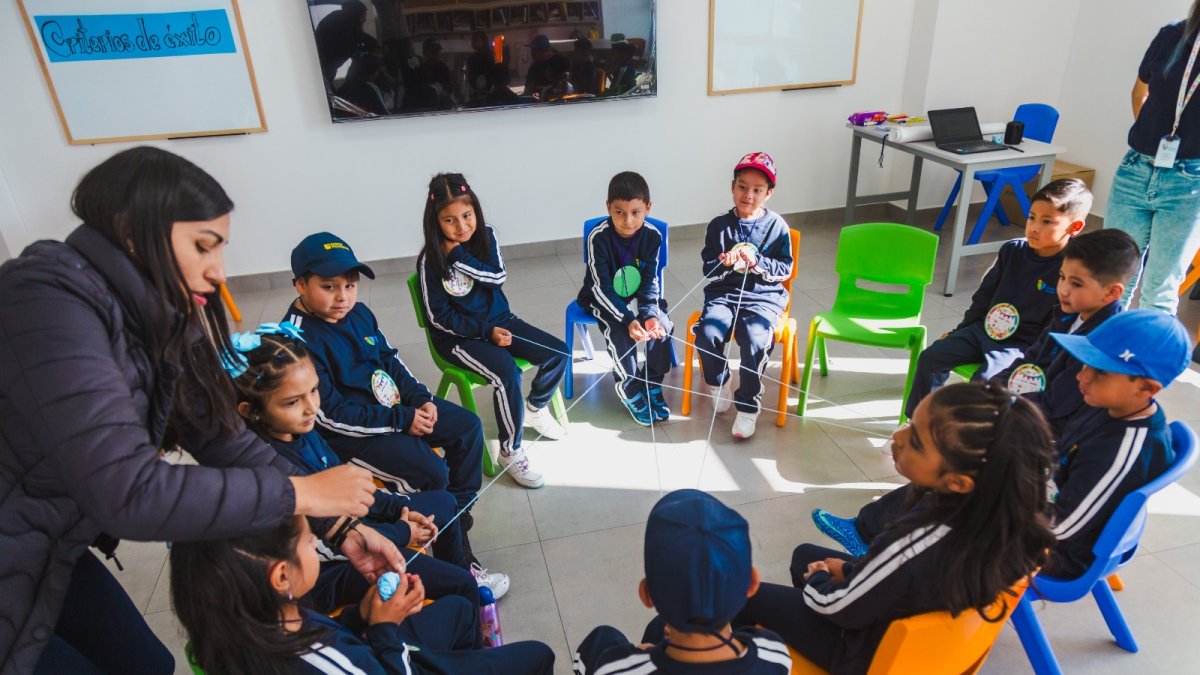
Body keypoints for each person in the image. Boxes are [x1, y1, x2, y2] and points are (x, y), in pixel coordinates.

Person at [0, 147, 396, 673]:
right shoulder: (46, 302)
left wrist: (339, 527)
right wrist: (302, 492)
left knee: (148, 665)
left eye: (221, 249)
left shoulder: (158, 307)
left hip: (49, 542)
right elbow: (128, 491)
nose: (218, 272)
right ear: (134, 233)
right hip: (18, 545)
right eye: (203, 247)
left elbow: (220, 434)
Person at [811, 228, 1140, 557]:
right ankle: (874, 531)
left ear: (1111, 292)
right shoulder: (1069, 315)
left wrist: (1006, 411)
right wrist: (994, 391)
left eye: (1076, 283)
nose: (1063, 289)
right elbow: (1031, 360)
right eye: (1062, 278)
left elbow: (1059, 405)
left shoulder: (1102, 345)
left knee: (957, 461)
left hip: (1046, 443)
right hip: (1033, 421)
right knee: (953, 451)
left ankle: (880, 535)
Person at [736, 383, 1056, 673]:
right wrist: (849, 570)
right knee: (805, 553)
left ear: (958, 482)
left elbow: (837, 605)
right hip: (924, 649)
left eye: (915, 441)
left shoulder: (917, 543)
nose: (898, 438)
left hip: (866, 653)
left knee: (739, 593)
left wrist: (818, 580)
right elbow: (898, 580)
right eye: (910, 424)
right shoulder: (1006, 524)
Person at [226, 325, 510, 602]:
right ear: (251, 412)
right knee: (459, 586)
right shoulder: (267, 473)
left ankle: (460, 572)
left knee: (444, 503)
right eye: (292, 402)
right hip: (337, 562)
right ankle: (461, 592)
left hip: (356, 527)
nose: (312, 407)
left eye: (313, 391)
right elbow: (321, 547)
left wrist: (399, 508)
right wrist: (402, 532)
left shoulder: (302, 430)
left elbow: (347, 488)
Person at [281, 232, 487, 555]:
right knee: (432, 472)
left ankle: (456, 518)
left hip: (393, 410)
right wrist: (403, 420)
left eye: (350, 286)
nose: (342, 298)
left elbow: (390, 360)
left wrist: (419, 398)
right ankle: (456, 558)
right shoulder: (296, 339)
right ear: (300, 285)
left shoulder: (360, 313)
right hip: (352, 436)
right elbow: (330, 415)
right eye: (329, 287)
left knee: (467, 427)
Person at [171, 515, 556, 674]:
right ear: (282, 576)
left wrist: (362, 615)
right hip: (388, 660)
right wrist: (385, 629)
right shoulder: (324, 661)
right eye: (308, 541)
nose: (317, 545)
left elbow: (330, 633)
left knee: (459, 608)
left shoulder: (255, 622)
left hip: (375, 649)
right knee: (539, 655)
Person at [417, 173, 568, 489]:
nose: (461, 226)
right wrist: (487, 333)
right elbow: (438, 318)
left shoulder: (486, 237)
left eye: (467, 215)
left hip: (502, 321)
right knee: (507, 372)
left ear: (476, 210)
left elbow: (496, 277)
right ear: (435, 222)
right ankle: (510, 451)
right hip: (459, 339)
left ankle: (534, 408)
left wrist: (458, 257)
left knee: (558, 353)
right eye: (449, 220)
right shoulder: (430, 260)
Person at [902, 178, 1089, 420]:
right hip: (983, 330)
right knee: (932, 357)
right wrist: (961, 330)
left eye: (1047, 221)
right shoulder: (1013, 250)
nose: (1034, 227)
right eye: (1031, 217)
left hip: (1021, 345)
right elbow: (983, 298)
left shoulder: (1071, 268)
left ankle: (966, 434)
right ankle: (918, 422)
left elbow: (1059, 324)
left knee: (986, 381)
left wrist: (1036, 360)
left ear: (1074, 227)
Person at [573, 490, 792, 674]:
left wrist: (645, 657)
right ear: (752, 584)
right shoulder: (774, 654)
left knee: (601, 638)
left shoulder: (614, 668)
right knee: (657, 627)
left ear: (647, 594)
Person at [1046, 309, 1193, 577]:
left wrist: (1000, 507)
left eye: (1100, 371)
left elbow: (1060, 528)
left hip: (1062, 552)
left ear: (1147, 388)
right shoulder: (1110, 405)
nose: (1082, 376)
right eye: (1085, 363)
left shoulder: (1121, 452)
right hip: (1059, 500)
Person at [1107, 1, 1200, 315]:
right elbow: (1140, 92)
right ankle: (1102, 347)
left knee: (1160, 291)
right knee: (1111, 280)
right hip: (1136, 167)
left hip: (1190, 182)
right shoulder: (1173, 34)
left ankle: (1142, 349)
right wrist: (1151, 138)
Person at [694, 152, 794, 440]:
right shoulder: (718, 226)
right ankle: (719, 381)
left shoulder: (777, 226)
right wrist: (723, 263)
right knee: (707, 333)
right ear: (732, 186)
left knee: (755, 338)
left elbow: (785, 269)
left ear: (768, 194)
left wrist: (758, 262)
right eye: (742, 187)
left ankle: (748, 406)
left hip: (763, 297)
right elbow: (708, 270)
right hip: (724, 295)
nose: (748, 195)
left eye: (757, 190)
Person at [576, 171, 674, 425]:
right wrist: (629, 319)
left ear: (648, 208)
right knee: (621, 335)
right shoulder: (598, 237)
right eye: (619, 212)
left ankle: (652, 382)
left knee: (662, 327)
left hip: (639, 297)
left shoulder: (652, 236)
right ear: (608, 207)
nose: (628, 221)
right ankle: (629, 388)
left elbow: (650, 281)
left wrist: (650, 315)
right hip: (605, 299)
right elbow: (601, 288)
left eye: (635, 212)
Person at [315, 0, 378, 90]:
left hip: (325, 65)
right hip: (325, 67)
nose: (364, 20)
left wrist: (375, 44)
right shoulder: (342, 25)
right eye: (362, 17)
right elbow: (353, 50)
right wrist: (370, 50)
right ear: (355, 16)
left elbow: (360, 35)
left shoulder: (342, 18)